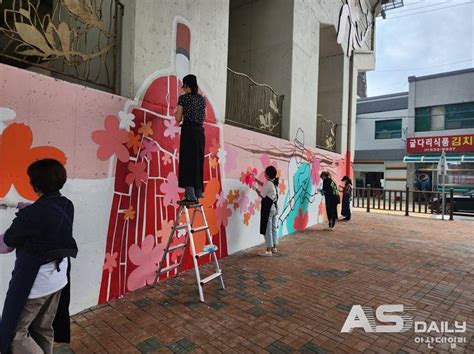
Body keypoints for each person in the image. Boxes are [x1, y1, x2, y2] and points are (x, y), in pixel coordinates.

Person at [0, 159, 78, 354]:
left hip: (35, 286)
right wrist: (17, 204)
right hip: (58, 280)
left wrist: (23, 211)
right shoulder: (66, 205)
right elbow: (46, 211)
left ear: (35, 184)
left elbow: (6, 245)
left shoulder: (31, 217)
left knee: (15, 335)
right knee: (43, 328)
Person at [175, 74, 206, 203]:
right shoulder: (202, 100)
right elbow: (203, 117)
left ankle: (190, 196)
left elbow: (178, 118)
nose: (183, 89)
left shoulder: (183, 99)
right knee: (197, 162)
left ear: (187, 86)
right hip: (200, 132)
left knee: (187, 162)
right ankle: (198, 192)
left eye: (184, 86)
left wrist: (177, 112)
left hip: (188, 131)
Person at [253, 166, 279, 256]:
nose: (264, 174)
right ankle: (274, 247)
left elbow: (262, 195)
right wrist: (255, 179)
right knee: (273, 228)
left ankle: (268, 250)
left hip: (269, 209)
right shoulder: (273, 182)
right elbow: (264, 185)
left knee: (268, 229)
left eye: (265, 173)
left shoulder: (268, 183)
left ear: (267, 175)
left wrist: (255, 189)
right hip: (275, 208)